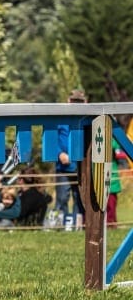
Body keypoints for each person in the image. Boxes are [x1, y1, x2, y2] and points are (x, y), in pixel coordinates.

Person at [55, 89, 87, 230]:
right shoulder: (60, 118)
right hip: (62, 167)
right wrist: (59, 153)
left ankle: (76, 225)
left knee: (79, 197)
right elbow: (51, 139)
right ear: (68, 101)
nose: (76, 104)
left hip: (79, 165)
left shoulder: (86, 120)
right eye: (74, 101)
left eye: (79, 101)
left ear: (84, 102)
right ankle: (61, 224)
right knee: (62, 197)